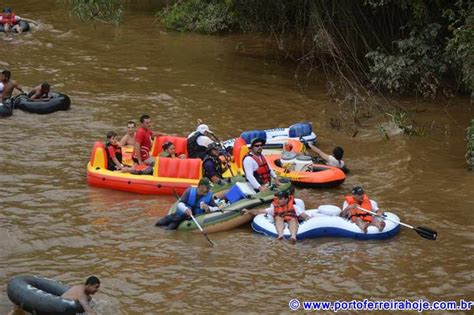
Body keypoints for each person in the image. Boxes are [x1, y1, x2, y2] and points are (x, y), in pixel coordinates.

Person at [243, 189, 311, 244]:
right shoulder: (274, 208)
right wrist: (249, 211)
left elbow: (304, 216)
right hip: (280, 220)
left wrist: (307, 219)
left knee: (292, 219)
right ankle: (280, 235)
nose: (278, 200)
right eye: (277, 198)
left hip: (292, 220)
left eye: (280, 199)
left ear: (286, 199)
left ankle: (293, 237)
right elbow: (259, 211)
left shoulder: (294, 207)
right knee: (278, 218)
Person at [155, 178, 222, 230]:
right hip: (182, 214)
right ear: (201, 186)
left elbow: (216, 208)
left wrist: (208, 208)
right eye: (207, 187)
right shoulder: (189, 191)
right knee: (159, 224)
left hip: (194, 217)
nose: (208, 189)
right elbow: (180, 203)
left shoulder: (209, 196)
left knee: (171, 227)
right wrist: (185, 209)